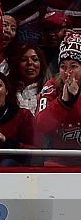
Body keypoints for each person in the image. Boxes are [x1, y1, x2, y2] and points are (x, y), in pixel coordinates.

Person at [35, 31, 81, 165]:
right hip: (57, 159)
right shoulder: (51, 87)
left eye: (74, 66)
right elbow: (41, 125)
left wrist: (76, 98)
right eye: (63, 67)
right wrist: (64, 102)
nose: (68, 72)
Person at [10, 44, 48, 114]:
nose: (30, 63)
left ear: (41, 64)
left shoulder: (51, 91)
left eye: (35, 59)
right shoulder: (9, 92)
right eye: (24, 60)